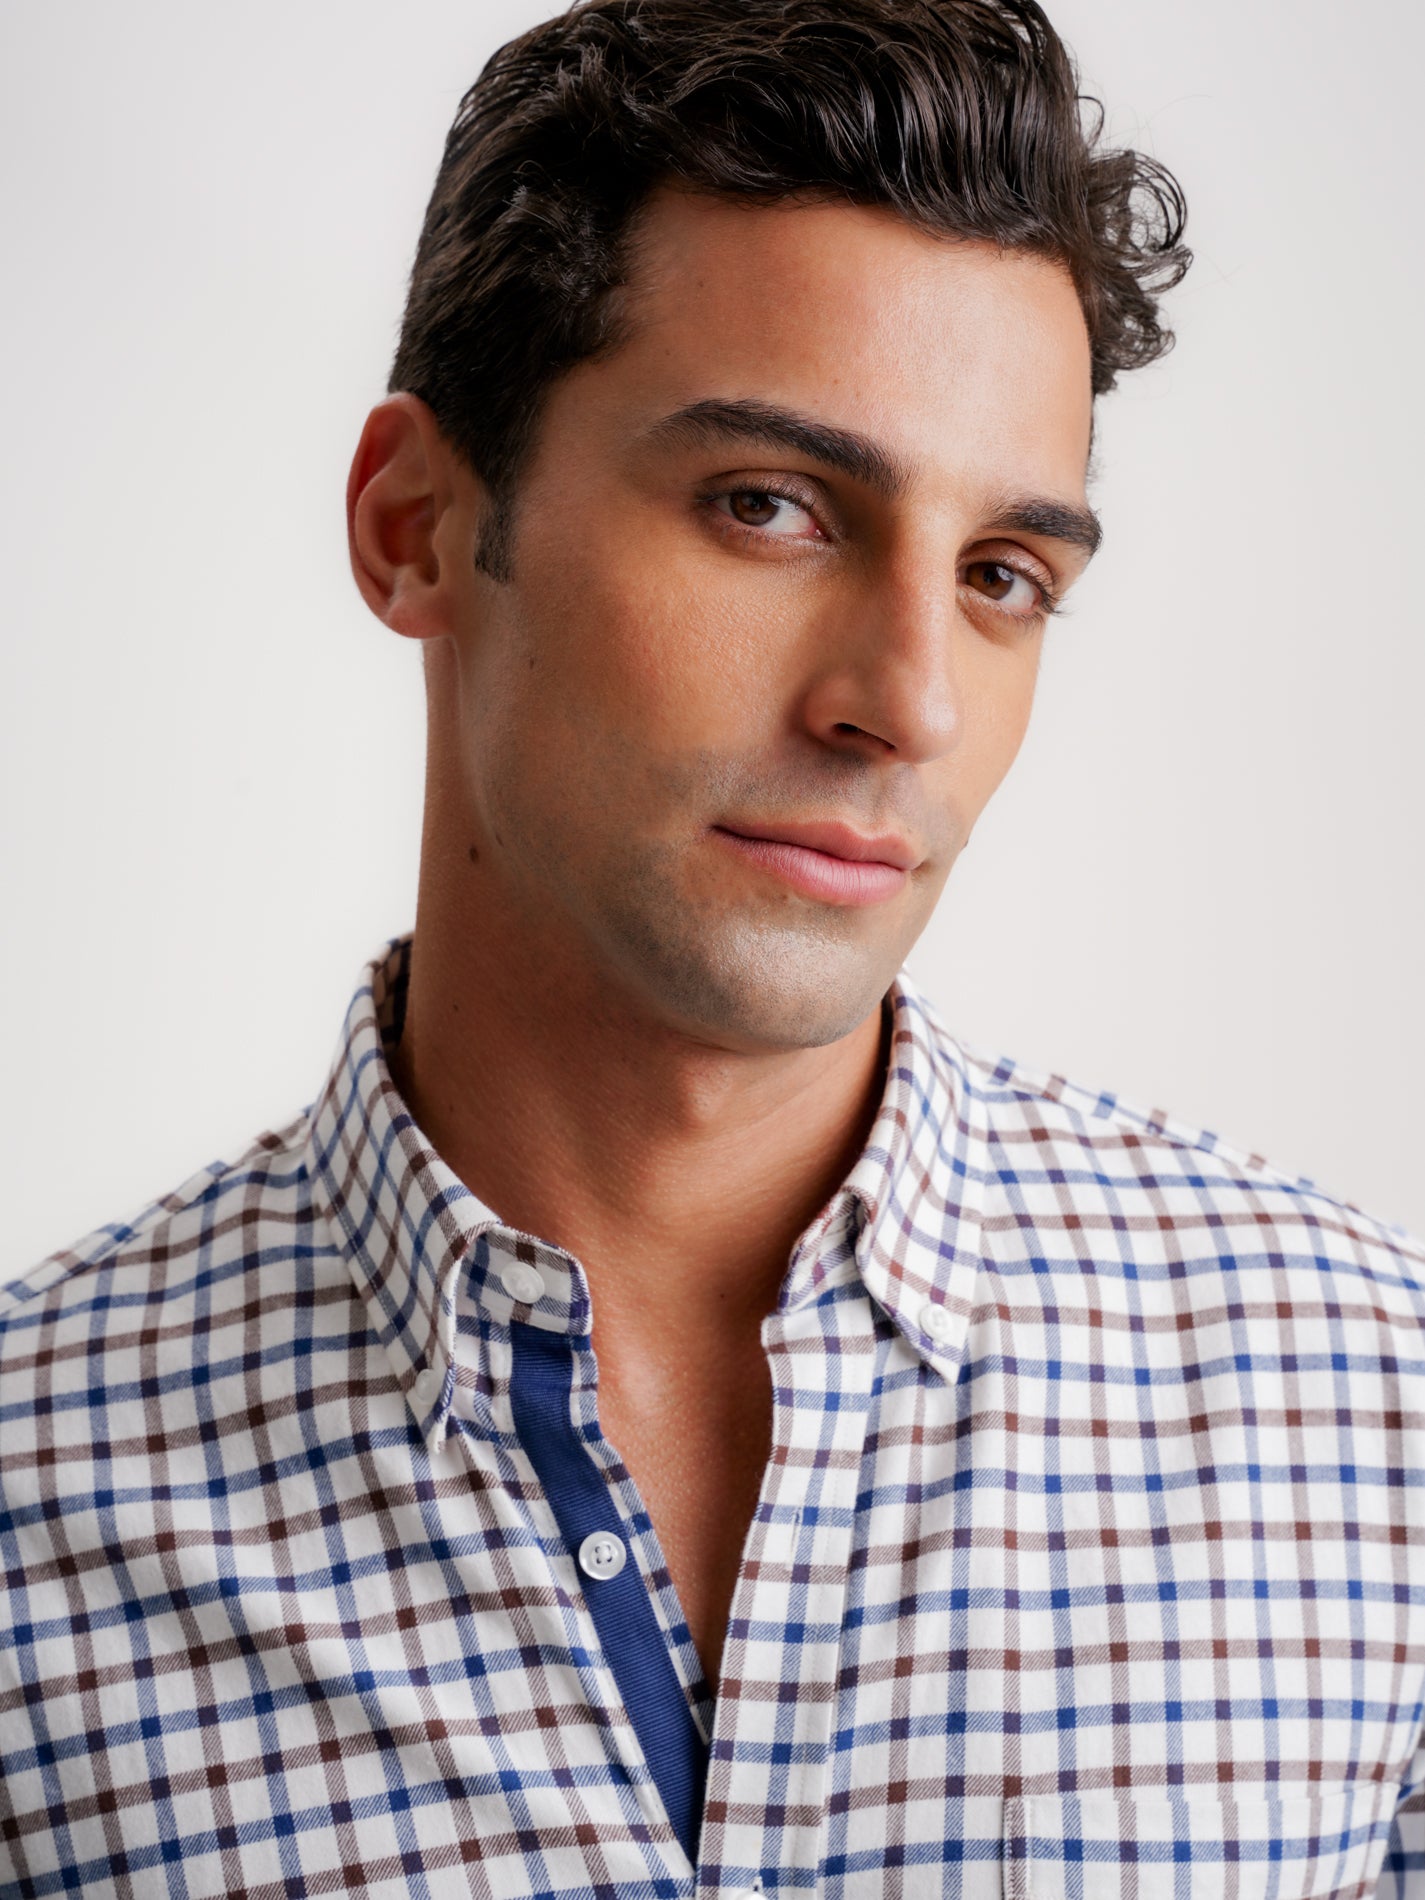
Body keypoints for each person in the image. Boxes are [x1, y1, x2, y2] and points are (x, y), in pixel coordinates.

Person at [1, 0, 1421, 1892]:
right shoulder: (33, 1508)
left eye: (1001, 577)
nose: (907, 701)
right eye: (769, 507)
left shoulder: (1371, 1423)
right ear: (415, 525)